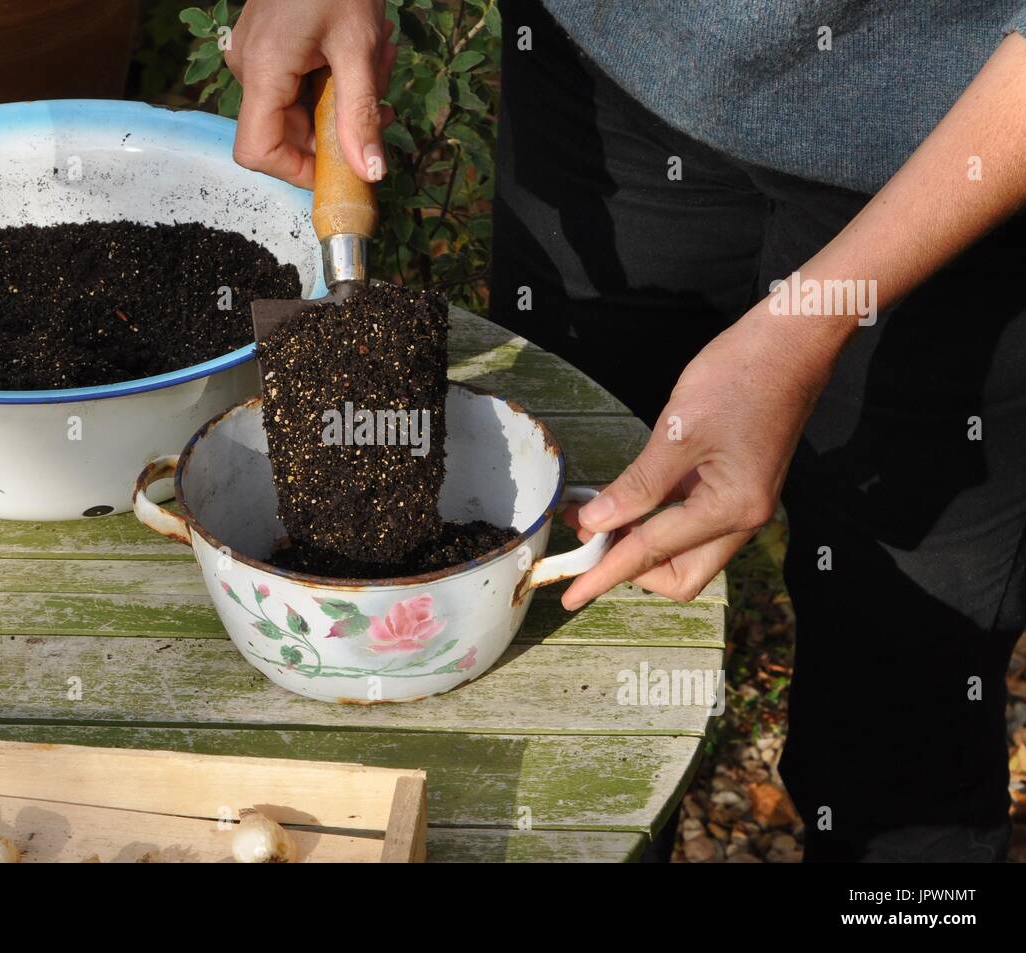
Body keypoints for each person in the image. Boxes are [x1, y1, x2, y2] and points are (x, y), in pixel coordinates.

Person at [226, 0, 1026, 862]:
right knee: (583, 651)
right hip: (607, 85)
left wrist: (801, 329)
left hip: (966, 147)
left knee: (907, 721)